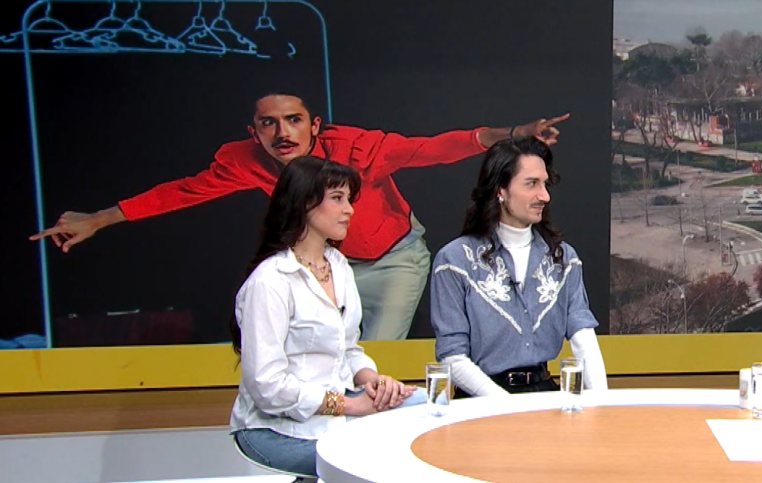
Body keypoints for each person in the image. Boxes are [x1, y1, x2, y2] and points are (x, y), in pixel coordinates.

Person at [30, 93, 569, 341]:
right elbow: (183, 192)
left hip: (395, 259)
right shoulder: (245, 161)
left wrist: (512, 134)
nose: (282, 132)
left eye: (293, 120)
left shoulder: (357, 149)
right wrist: (100, 219)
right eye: (268, 123)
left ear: (315, 125)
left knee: (373, 357)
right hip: (329, 266)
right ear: (254, 132)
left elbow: (435, 148)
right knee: (326, 356)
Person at [229, 155, 425, 478]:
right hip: (276, 428)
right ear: (304, 203)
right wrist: (352, 406)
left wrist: (373, 382)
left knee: (427, 408)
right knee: (378, 459)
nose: (349, 210)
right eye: (337, 198)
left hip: (338, 408)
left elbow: (348, 348)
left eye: (349, 199)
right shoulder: (271, 281)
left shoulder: (338, 265)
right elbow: (267, 386)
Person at [430, 137, 607, 397]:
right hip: (481, 402)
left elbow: (583, 338)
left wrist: (603, 403)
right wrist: (508, 407)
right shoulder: (454, 261)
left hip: (544, 396)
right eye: (531, 184)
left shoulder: (563, 258)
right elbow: (451, 356)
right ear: (500, 190)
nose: (544, 196)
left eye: (545, 184)